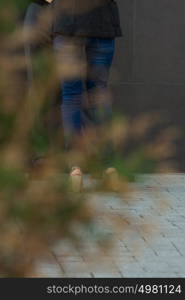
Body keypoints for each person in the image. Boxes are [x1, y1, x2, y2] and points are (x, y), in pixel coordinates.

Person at [24, 0, 123, 191]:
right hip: (103, 22)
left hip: (68, 24)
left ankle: (75, 169)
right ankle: (109, 168)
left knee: (71, 96)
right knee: (98, 93)